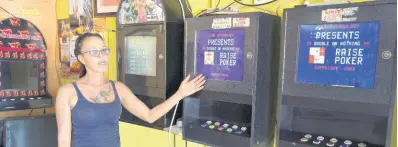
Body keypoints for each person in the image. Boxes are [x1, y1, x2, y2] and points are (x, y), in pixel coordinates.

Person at [55, 33, 206, 147]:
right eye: (94, 52)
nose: (101, 56)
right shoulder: (68, 92)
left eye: (103, 50)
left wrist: (180, 94)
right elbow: (63, 139)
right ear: (81, 58)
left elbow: (150, 115)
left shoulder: (118, 88)